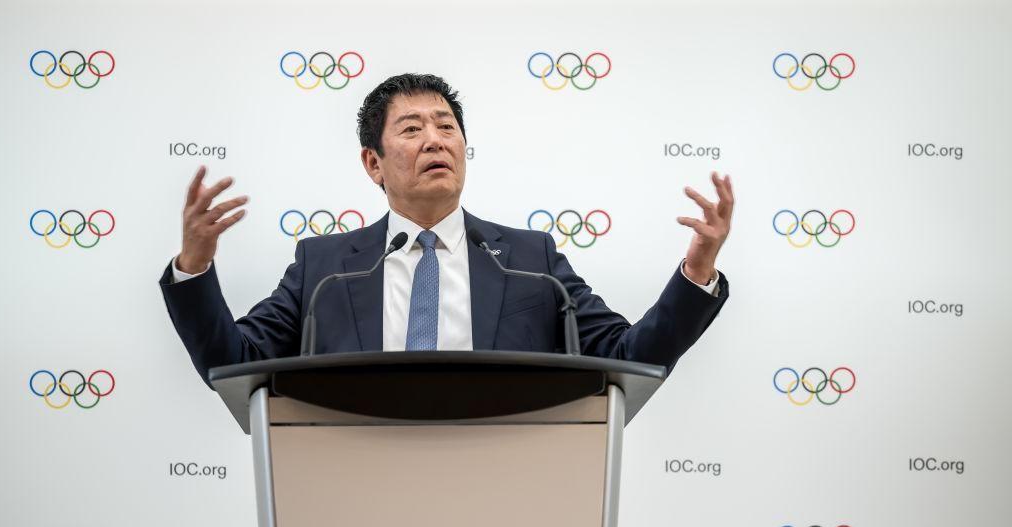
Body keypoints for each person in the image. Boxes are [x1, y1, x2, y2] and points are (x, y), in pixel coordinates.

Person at [159, 73, 732, 386]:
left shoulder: (530, 259)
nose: (435, 139)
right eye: (411, 129)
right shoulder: (325, 267)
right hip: (354, 484)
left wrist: (698, 269)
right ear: (373, 164)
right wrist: (195, 267)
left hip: (500, 485)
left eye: (446, 126)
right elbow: (232, 362)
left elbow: (627, 354)